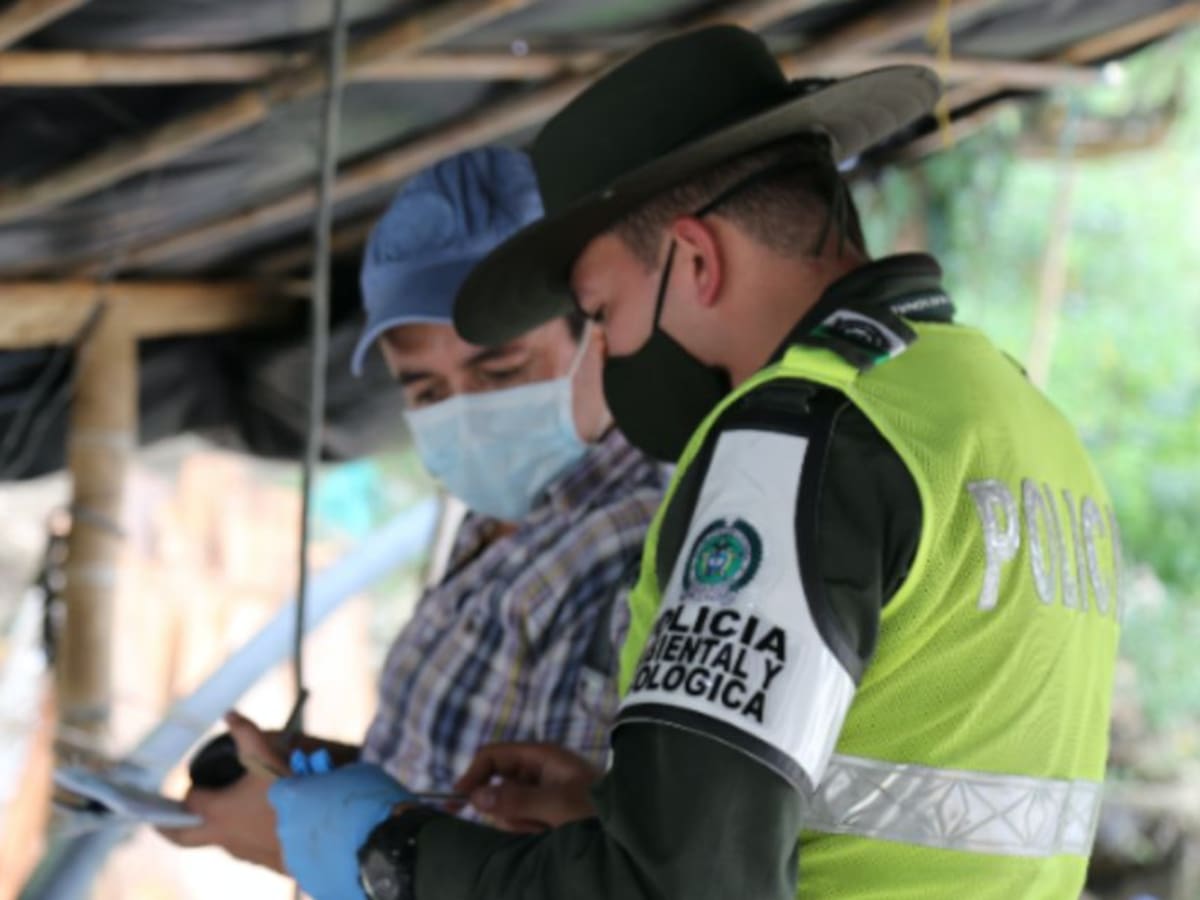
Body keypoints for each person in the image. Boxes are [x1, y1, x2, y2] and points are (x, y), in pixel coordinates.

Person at [260, 26, 1122, 900]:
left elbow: (676, 889)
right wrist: (628, 806)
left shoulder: (795, 437)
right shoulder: (1012, 413)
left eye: (602, 312)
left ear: (698, 260)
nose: (612, 348)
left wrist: (391, 856)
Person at [161, 147, 665, 870]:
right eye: (427, 392)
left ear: (599, 330)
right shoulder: (494, 523)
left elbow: (591, 871)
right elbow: (469, 778)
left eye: (500, 370)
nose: (464, 414)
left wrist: (321, 846)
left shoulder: (648, 549)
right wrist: (340, 778)